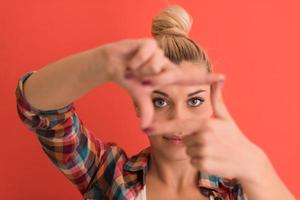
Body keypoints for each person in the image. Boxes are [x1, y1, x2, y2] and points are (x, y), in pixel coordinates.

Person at [15, 5, 296, 200]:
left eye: (195, 101)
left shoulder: (239, 190)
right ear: (139, 106)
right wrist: (103, 62)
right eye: (160, 102)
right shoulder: (109, 176)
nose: (178, 119)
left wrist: (257, 166)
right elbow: (39, 110)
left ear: (212, 105)